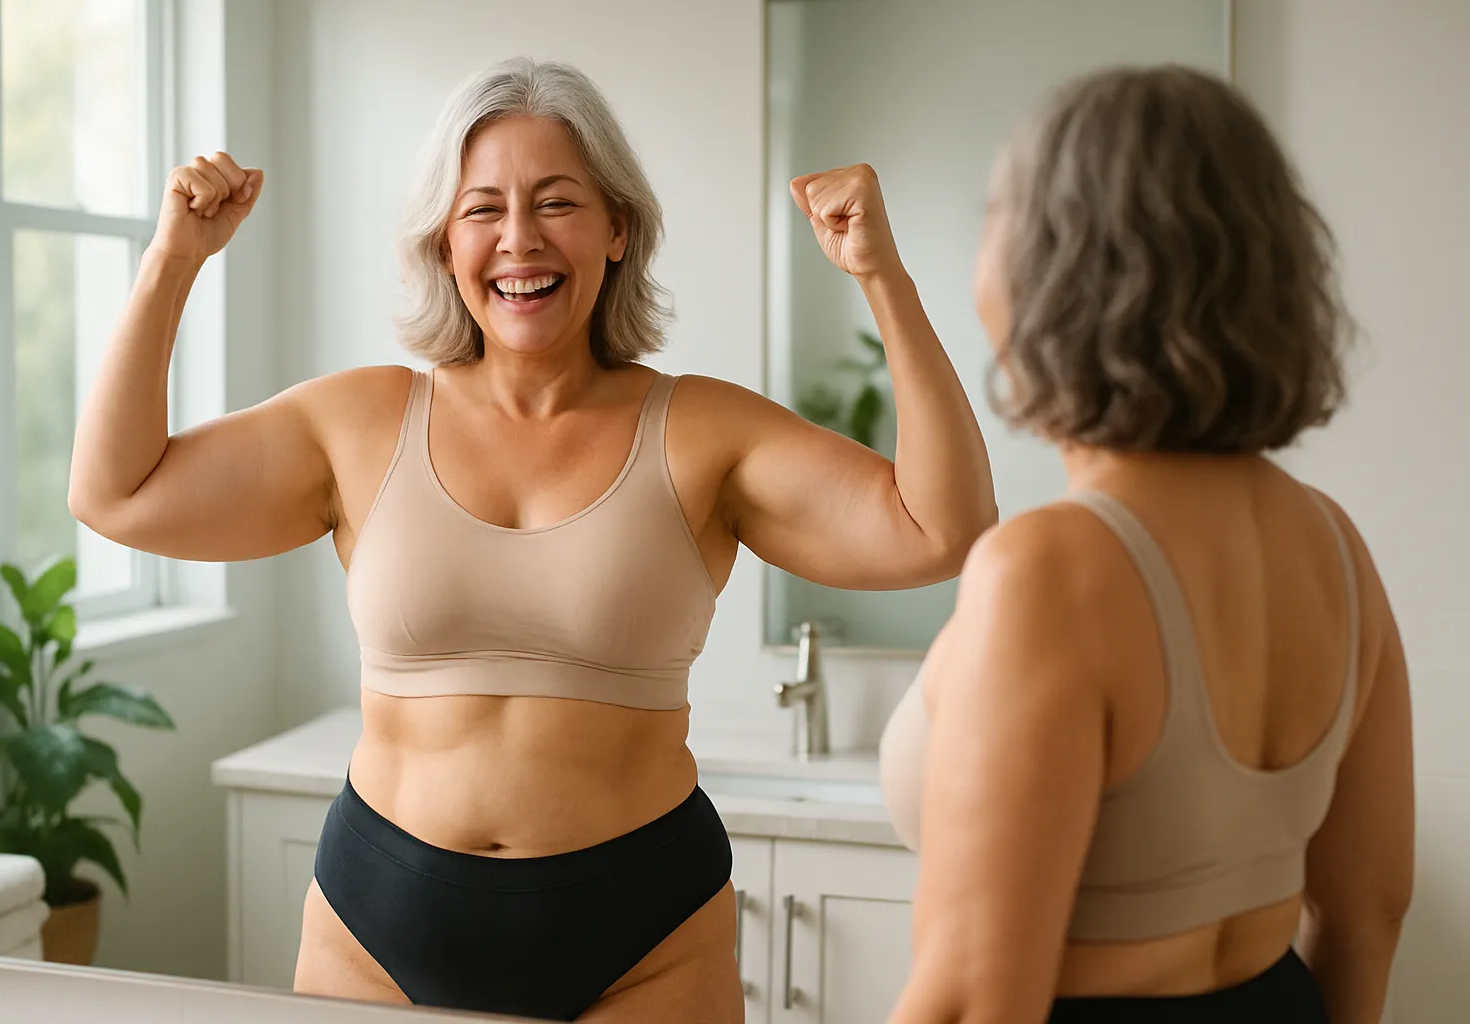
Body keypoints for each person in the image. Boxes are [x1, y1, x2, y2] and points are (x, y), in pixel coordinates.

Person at [68, 57, 997, 1022]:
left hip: (646, 939)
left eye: (557, 202)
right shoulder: (357, 420)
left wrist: (878, 275)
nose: (519, 239)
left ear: (617, 229)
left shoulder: (707, 432)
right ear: (444, 238)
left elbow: (943, 530)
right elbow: (115, 493)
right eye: (482, 210)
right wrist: (173, 258)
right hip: (375, 931)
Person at [879, 65, 1412, 1024]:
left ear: (1060, 265)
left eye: (995, 216)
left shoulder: (1049, 569)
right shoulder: (1335, 549)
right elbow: (1367, 911)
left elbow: (969, 1001)